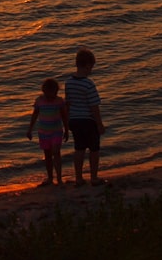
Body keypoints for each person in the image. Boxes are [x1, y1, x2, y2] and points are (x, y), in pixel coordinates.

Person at [64, 46, 107, 186]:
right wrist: (99, 124)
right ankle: (94, 177)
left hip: (74, 120)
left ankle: (78, 178)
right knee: (94, 149)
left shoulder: (68, 82)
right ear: (88, 66)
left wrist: (67, 121)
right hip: (88, 121)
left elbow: (68, 103)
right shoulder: (88, 84)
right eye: (91, 67)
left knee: (79, 148)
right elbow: (94, 106)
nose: (91, 70)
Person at [26, 78, 70, 185]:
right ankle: (50, 178)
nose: (52, 96)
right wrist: (30, 129)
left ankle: (59, 178)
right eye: (50, 94)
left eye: (54, 93)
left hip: (56, 131)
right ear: (45, 92)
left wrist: (67, 130)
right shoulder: (39, 101)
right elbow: (35, 115)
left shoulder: (59, 101)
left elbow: (64, 116)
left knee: (56, 152)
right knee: (47, 155)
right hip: (43, 132)